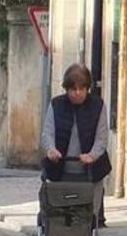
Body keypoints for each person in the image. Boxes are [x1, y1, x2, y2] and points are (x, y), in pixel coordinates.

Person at [40, 63, 110, 227]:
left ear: (87, 88)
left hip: (90, 174)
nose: (77, 93)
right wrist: (51, 149)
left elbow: (102, 137)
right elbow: (47, 132)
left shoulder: (98, 105)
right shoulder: (56, 105)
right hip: (61, 172)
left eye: (81, 89)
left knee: (88, 218)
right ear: (66, 89)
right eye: (73, 89)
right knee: (62, 218)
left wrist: (92, 155)